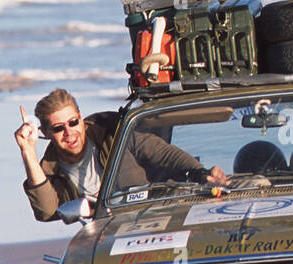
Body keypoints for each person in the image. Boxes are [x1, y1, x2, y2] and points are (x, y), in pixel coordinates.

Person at [15, 88, 225, 222]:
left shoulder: (115, 131)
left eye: (73, 122)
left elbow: (163, 155)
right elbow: (47, 211)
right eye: (59, 128)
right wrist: (27, 150)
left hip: (155, 212)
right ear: (46, 133)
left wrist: (202, 174)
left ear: (80, 117)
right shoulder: (49, 171)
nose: (69, 132)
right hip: (109, 229)